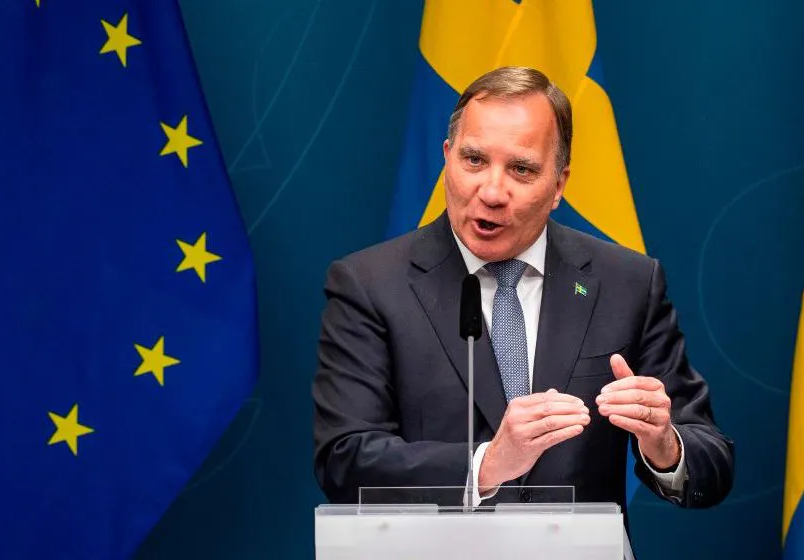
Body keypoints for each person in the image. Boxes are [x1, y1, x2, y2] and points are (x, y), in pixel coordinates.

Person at [312, 66, 733, 511]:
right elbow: (344, 461)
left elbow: (711, 463)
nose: (492, 192)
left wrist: (664, 444)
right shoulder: (370, 285)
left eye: (521, 169)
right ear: (447, 157)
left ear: (559, 185)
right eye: (474, 160)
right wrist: (486, 465)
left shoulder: (625, 283)